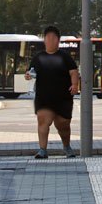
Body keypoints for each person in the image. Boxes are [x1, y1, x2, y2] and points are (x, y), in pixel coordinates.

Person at [26, 26, 80, 159]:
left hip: (63, 98)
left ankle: (66, 146)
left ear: (58, 40)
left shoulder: (65, 57)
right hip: (44, 97)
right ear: (44, 40)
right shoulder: (38, 58)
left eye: (53, 38)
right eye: (48, 37)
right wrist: (28, 75)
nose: (50, 40)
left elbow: (74, 72)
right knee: (43, 121)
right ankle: (42, 150)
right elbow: (30, 72)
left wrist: (74, 85)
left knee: (63, 125)